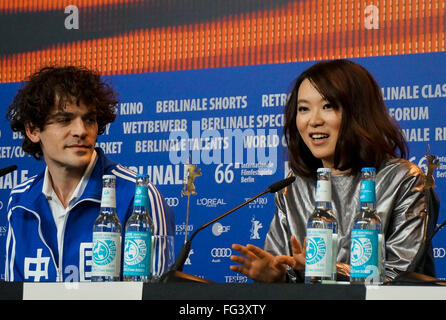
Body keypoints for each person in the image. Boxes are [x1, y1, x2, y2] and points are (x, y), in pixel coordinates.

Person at [230, 59, 438, 283]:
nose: (314, 120)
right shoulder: (293, 184)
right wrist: (277, 275)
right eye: (303, 109)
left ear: (358, 112)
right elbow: (286, 266)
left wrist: (328, 268)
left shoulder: (404, 179)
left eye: (327, 106)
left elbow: (401, 278)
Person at [4, 66, 175, 282]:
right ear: (33, 130)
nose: (81, 131)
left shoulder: (138, 195)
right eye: (65, 120)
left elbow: (154, 296)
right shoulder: (20, 200)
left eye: (89, 119)